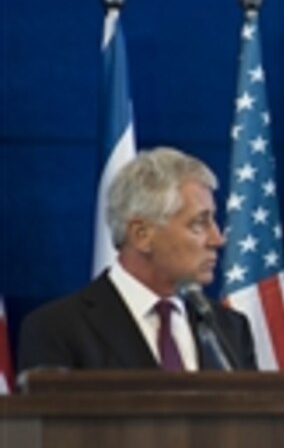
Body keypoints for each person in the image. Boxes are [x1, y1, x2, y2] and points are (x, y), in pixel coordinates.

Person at [17, 147, 257, 373]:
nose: (217, 239)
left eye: (213, 221)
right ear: (142, 235)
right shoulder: (57, 329)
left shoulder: (229, 329)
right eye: (198, 223)